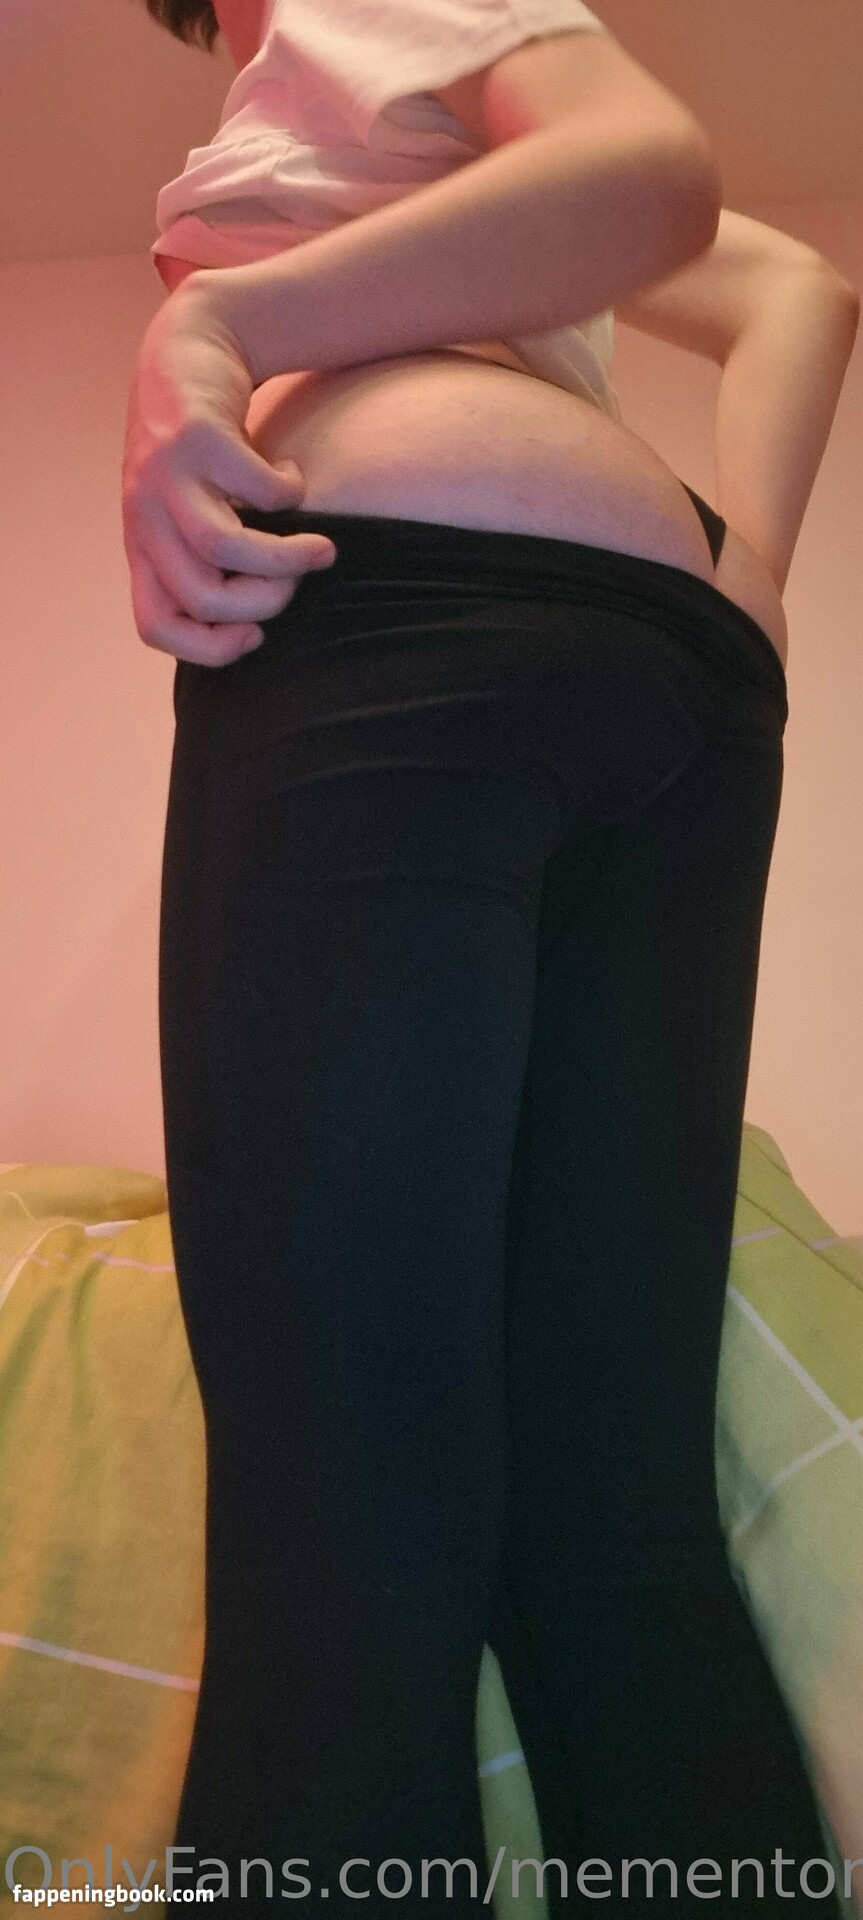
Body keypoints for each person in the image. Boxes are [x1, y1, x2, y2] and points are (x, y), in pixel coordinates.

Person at [122, 1, 860, 1912]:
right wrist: (750, 577)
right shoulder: (413, 139)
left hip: (414, 629)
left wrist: (217, 322)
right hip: (676, 691)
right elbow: (795, 287)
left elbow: (647, 169)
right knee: (611, 1520)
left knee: (340, 1538)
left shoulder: (335, 15)